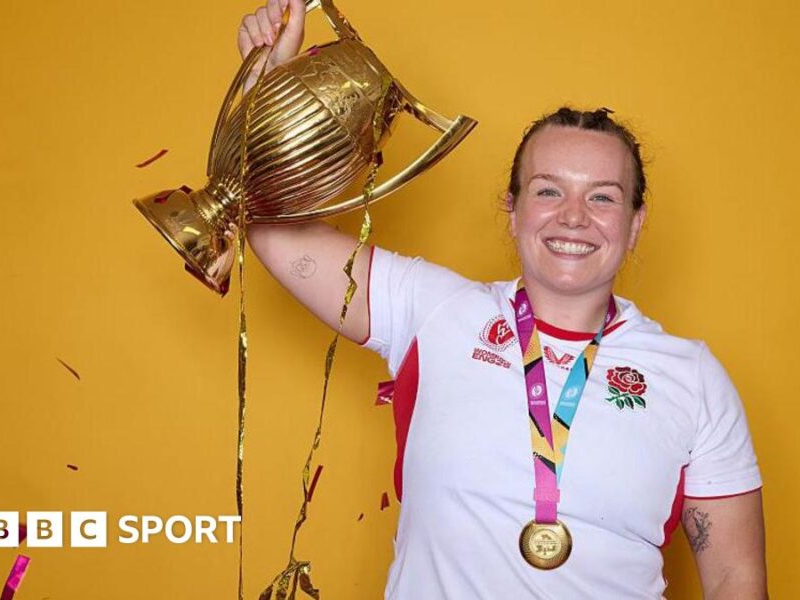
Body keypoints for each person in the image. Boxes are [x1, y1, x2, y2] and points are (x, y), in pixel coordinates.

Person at [238, 2, 768, 598]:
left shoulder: (693, 377)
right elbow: (269, 227)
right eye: (548, 190)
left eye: (603, 198)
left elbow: (734, 579)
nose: (573, 217)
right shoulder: (433, 309)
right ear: (511, 210)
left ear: (635, 222)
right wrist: (269, 81)